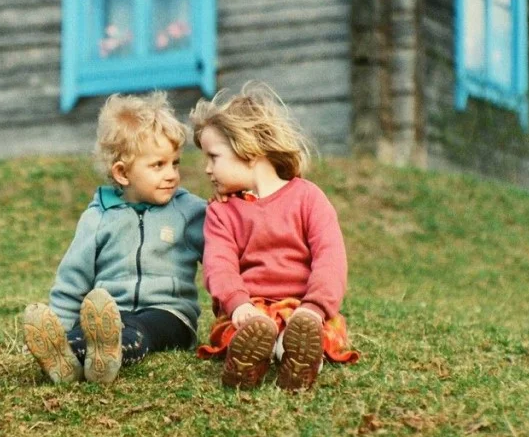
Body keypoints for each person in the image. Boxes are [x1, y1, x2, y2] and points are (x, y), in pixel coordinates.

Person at [23, 91, 206, 385]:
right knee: (86, 332)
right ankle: (65, 358)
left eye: (175, 162)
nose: (172, 174)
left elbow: (223, 254)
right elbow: (73, 279)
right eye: (158, 165)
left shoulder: (189, 211)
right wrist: (61, 325)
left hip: (169, 315)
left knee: (136, 329)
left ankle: (104, 352)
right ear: (122, 173)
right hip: (107, 314)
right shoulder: (99, 217)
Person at [190, 82, 359, 391]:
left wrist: (315, 307)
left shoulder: (309, 198)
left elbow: (330, 258)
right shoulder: (221, 212)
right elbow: (219, 265)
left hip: (304, 310)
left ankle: (299, 359)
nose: (207, 169)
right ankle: (250, 362)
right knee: (249, 332)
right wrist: (238, 305)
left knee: (304, 333)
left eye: (213, 157)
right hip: (249, 310)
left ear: (248, 149)